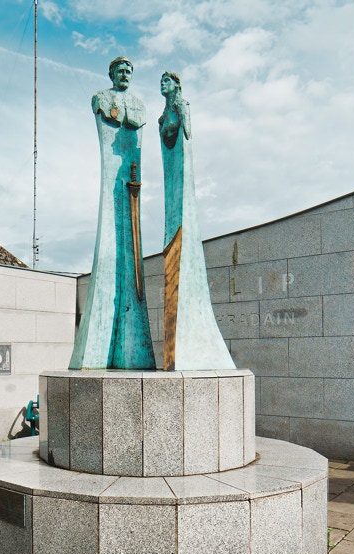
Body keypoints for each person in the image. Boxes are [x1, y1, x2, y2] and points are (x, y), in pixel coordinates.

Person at [69, 57, 156, 370]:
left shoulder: (138, 104)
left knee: (132, 262)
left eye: (129, 71)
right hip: (114, 184)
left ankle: (131, 346)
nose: (125, 75)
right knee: (110, 239)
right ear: (110, 74)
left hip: (130, 181)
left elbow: (135, 119)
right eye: (120, 70)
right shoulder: (101, 98)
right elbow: (113, 115)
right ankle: (99, 347)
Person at [159, 71, 235, 370]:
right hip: (171, 191)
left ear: (176, 85)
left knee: (180, 244)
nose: (162, 86)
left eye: (167, 82)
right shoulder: (164, 114)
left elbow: (185, 136)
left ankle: (186, 351)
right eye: (161, 83)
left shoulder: (181, 105)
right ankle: (172, 356)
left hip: (181, 192)